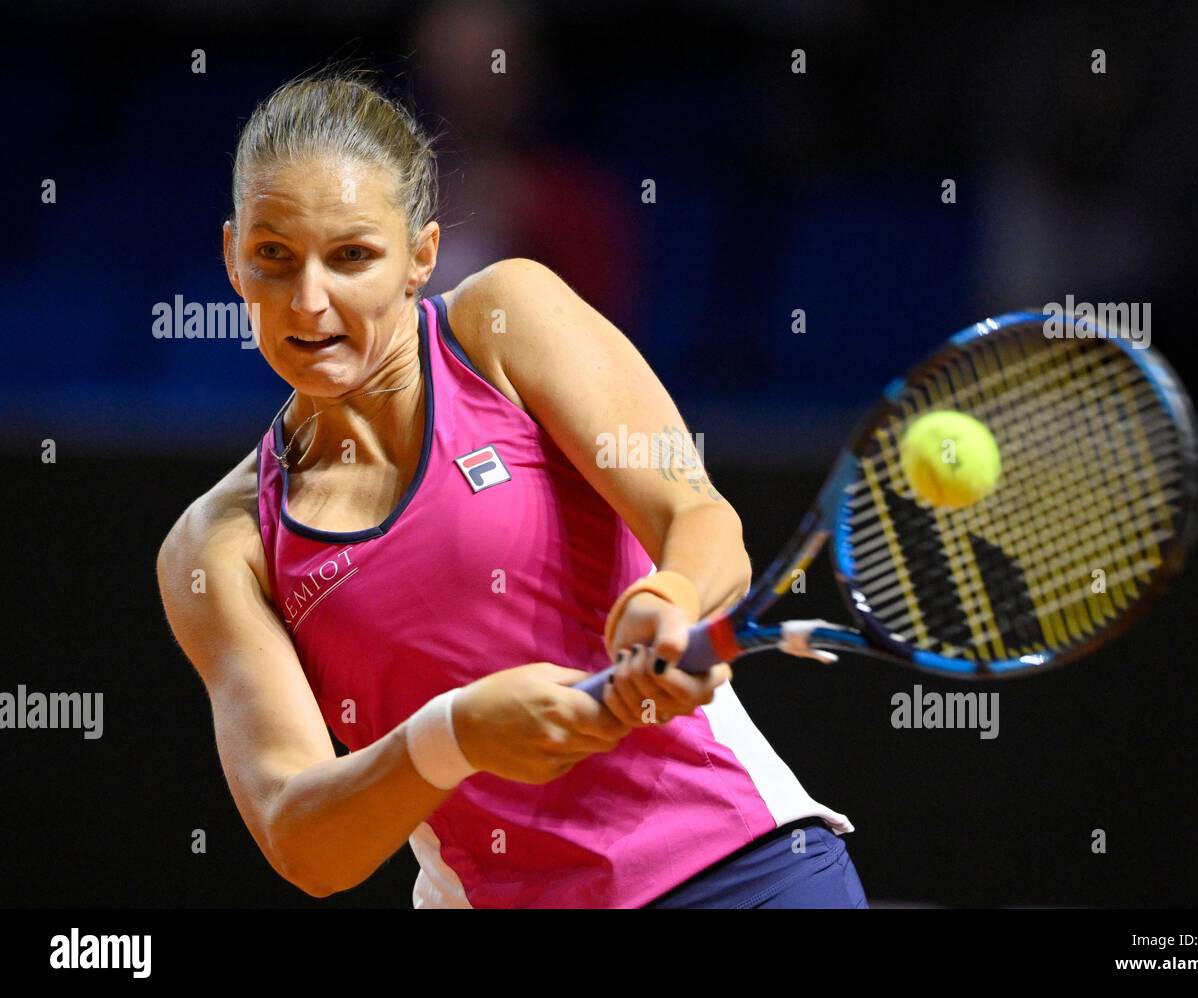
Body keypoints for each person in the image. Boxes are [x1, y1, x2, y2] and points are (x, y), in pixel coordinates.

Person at [156, 71, 865, 909]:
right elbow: (303, 841)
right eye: (274, 257)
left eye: (352, 255)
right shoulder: (222, 547)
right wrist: (454, 735)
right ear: (233, 258)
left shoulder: (502, 319)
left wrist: (671, 598)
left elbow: (700, 518)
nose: (310, 302)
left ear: (422, 254)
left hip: (741, 870)